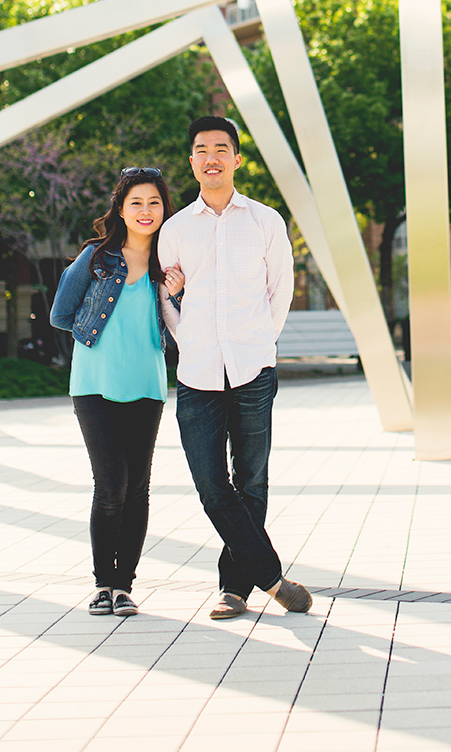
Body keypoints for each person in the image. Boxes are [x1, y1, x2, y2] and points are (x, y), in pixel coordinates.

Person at [159, 115, 312, 621]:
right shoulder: (176, 229)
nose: (211, 157)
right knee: (210, 484)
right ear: (192, 161)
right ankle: (272, 577)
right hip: (197, 373)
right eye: (201, 149)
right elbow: (166, 298)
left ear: (237, 159)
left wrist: (260, 341)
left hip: (253, 367)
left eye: (221, 148)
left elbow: (281, 290)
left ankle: (234, 589)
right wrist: (190, 340)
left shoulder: (265, 221)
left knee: (252, 480)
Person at [50, 168, 180, 619]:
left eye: (154, 203)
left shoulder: (172, 265)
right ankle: (103, 583)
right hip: (94, 386)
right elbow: (61, 315)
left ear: (165, 209)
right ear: (121, 209)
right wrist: (95, 341)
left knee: (138, 488)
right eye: (136, 203)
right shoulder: (95, 258)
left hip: (146, 385)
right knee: (111, 486)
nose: (146, 211)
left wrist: (180, 295)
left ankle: (124, 587)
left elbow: (187, 326)